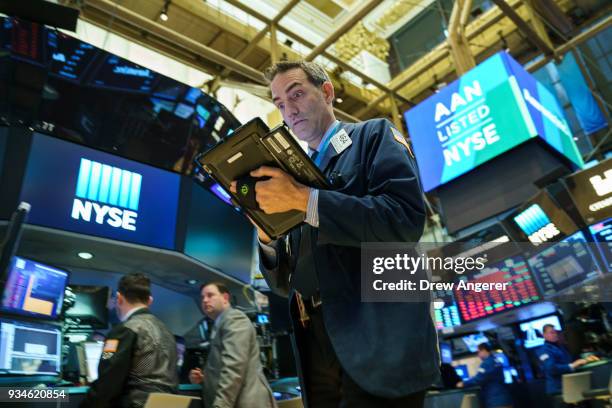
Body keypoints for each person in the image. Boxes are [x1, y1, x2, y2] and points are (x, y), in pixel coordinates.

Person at [234, 61, 439, 407]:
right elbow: (285, 284)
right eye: (280, 103)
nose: (289, 109)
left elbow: (404, 221)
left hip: (379, 343)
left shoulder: (372, 136)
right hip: (317, 347)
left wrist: (305, 200)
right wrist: (267, 239)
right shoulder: (294, 176)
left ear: (326, 92)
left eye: (296, 94)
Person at [80, 273, 179, 408]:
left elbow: (108, 381)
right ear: (149, 301)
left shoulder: (124, 330)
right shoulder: (167, 331)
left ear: (119, 298)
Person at [188, 282, 276, 408]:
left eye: (210, 295)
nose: (205, 300)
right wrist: (205, 378)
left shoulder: (234, 319)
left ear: (225, 298)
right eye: (202, 297)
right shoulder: (220, 325)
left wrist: (221, 405)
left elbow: (234, 367)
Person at [539, 324, 599, 395]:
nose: (555, 334)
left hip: (569, 386)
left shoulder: (560, 347)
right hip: (558, 389)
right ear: (544, 335)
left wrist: (583, 360)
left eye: (556, 332)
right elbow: (551, 369)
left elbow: (569, 361)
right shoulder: (544, 350)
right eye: (551, 332)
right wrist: (572, 366)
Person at [457, 343, 513, 408]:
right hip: (504, 398)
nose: (478, 355)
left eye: (478, 352)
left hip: (496, 401)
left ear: (483, 350)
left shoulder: (487, 363)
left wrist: (463, 383)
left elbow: (478, 379)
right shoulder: (495, 360)